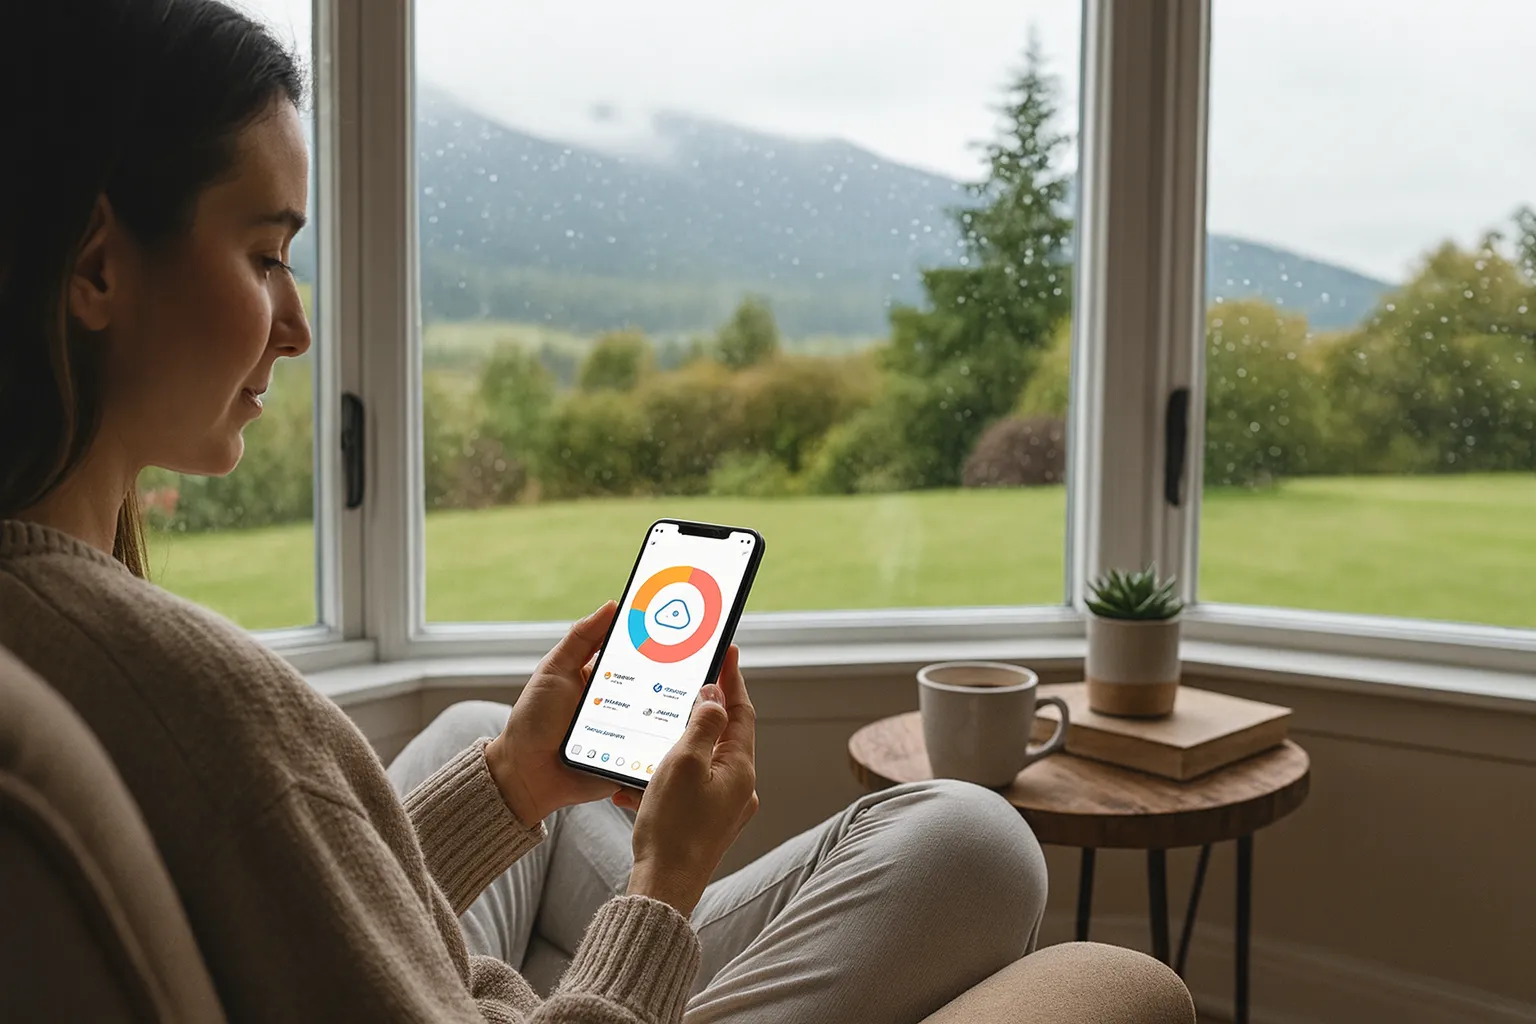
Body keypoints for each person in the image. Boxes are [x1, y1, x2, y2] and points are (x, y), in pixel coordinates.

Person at [0, 2, 1049, 1021]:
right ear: (97, 264)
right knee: (973, 843)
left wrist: (509, 787)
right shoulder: (197, 701)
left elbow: (305, 916)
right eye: (267, 255)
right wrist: (665, 882)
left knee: (480, 731)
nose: (298, 326)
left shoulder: (53, 633)